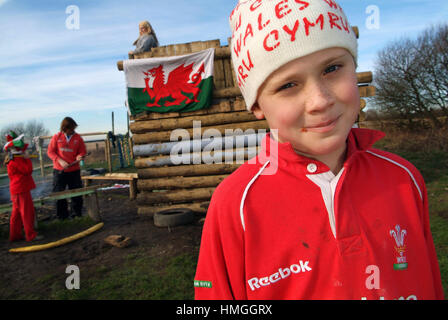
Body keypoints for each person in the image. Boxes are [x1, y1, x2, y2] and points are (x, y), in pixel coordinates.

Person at [194, 0, 444, 300]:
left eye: (332, 68)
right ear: (257, 104)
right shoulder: (235, 205)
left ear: (354, 66)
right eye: (288, 85)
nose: (319, 101)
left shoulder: (405, 179)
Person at [3, 131, 42, 242]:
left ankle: (15, 236)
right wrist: (27, 158)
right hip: (21, 189)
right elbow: (27, 170)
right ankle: (30, 235)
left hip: (17, 190)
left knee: (17, 214)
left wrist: (25, 157)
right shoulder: (16, 159)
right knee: (27, 213)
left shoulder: (13, 157)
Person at [47, 117, 86, 219]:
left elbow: (82, 151)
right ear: (64, 128)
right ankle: (62, 216)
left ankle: (77, 214)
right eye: (71, 129)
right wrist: (59, 160)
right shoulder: (56, 137)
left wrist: (79, 156)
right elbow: (50, 152)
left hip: (74, 171)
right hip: (59, 171)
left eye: (74, 128)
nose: (73, 130)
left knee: (77, 193)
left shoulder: (78, 138)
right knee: (59, 194)